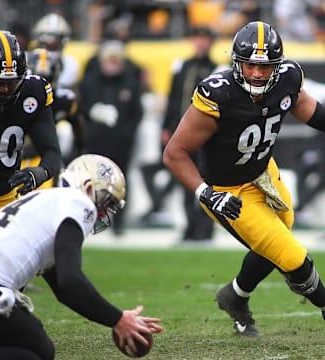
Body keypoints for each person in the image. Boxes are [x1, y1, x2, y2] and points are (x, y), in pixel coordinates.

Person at [163, 21, 325, 337]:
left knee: (280, 234)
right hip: (227, 189)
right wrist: (204, 193)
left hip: (263, 172)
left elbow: (310, 111)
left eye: (265, 67)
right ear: (237, 62)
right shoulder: (218, 94)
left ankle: (235, 296)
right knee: (291, 255)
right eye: (250, 65)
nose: (256, 74)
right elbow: (174, 152)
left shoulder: (288, 78)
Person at [0, 153, 164, 360]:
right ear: (88, 187)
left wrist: (117, 317)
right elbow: (71, 280)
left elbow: (64, 290)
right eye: (105, 203)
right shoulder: (78, 203)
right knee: (36, 353)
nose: (103, 214)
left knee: (38, 348)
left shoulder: (51, 200)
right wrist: (118, 319)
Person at [0, 30, 61, 235]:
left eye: (12, 82)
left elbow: (52, 153)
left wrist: (39, 173)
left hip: (8, 201)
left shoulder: (33, 92)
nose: (5, 90)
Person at [142, 25, 218, 239]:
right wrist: (166, 127)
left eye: (204, 39)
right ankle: (190, 225)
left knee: (205, 179)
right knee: (186, 182)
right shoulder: (182, 66)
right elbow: (173, 99)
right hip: (182, 133)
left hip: (203, 135)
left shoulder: (216, 68)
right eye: (198, 38)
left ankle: (205, 226)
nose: (201, 43)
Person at [78, 39, 143, 236]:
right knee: (93, 182)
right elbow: (81, 108)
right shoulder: (90, 82)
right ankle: (93, 219)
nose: (112, 64)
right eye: (109, 60)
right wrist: (93, 114)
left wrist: (127, 133)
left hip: (120, 144)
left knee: (121, 182)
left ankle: (120, 221)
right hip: (96, 142)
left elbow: (136, 113)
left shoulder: (130, 83)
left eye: (116, 60)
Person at [32, 12, 80, 89]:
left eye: (55, 44)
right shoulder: (29, 60)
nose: (51, 46)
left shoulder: (70, 64)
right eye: (47, 43)